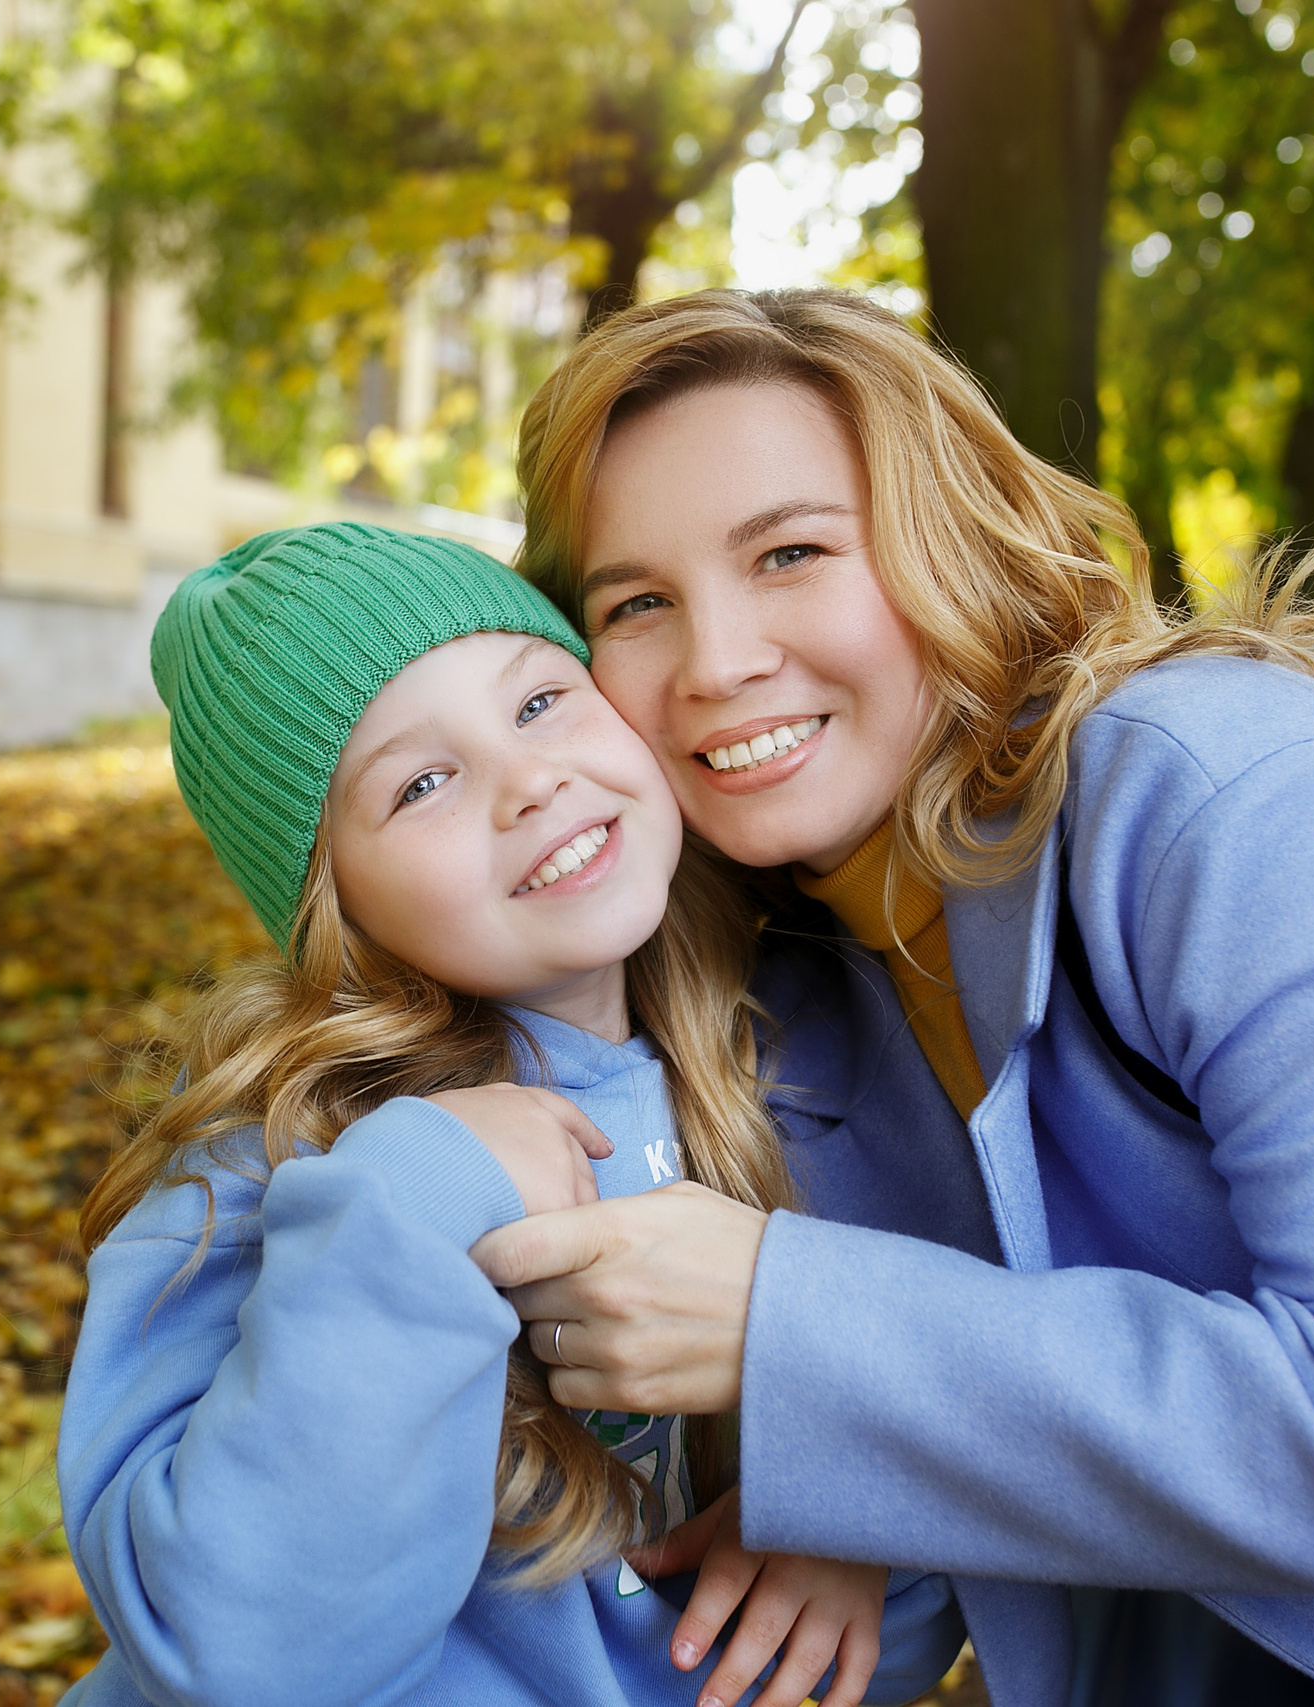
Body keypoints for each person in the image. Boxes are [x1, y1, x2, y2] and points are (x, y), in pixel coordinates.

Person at [465, 289, 1314, 1707]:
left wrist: (801, 1331)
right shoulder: (799, 984)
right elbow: (1071, 1423)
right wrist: (868, 1483)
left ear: (953, 543)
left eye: (793, 552)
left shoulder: (1236, 803)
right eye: (636, 602)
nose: (717, 660)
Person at [56, 522, 965, 1707]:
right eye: (420, 783)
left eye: (539, 703)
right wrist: (413, 1195)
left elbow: (923, 1507)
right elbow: (244, 1657)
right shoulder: (268, 1156)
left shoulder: (791, 1066)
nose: (530, 780)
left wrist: (861, 1512)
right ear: (336, 909)